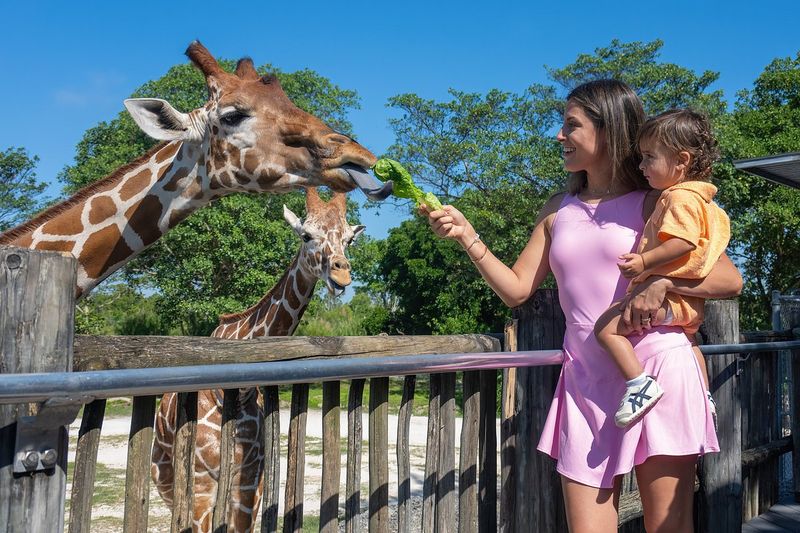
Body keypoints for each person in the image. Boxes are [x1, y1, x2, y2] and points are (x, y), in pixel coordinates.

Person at [421, 79, 742, 532]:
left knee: (667, 528)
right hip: (584, 383)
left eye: (571, 125)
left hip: (658, 372)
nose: (559, 136)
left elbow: (729, 279)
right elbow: (516, 290)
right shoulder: (558, 209)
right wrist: (467, 236)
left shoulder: (661, 200)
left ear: (609, 129)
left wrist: (664, 282)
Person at [594, 109, 730, 428]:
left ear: (681, 161)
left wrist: (645, 263)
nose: (641, 167)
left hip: (666, 304)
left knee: (605, 329)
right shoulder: (704, 202)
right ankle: (704, 393)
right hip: (688, 307)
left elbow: (682, 242)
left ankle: (639, 383)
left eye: (648, 157)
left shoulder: (679, 198)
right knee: (691, 341)